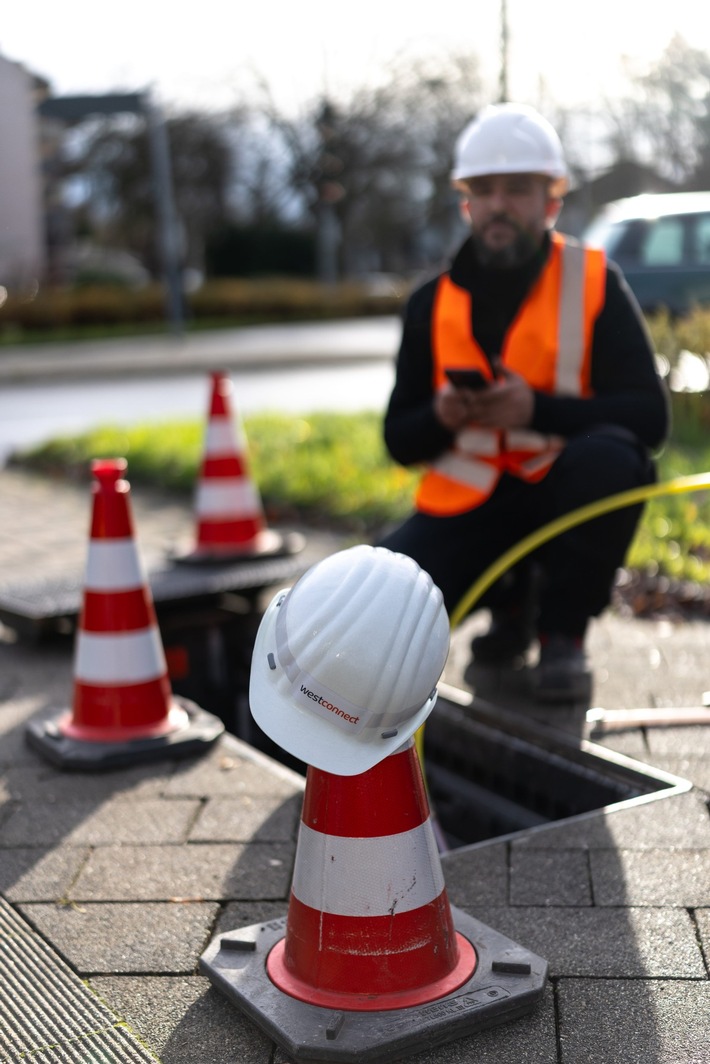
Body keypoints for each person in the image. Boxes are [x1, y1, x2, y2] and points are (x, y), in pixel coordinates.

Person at [378, 102, 669, 703]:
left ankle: (561, 633)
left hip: (559, 498)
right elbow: (397, 439)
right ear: (466, 202)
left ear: (551, 200)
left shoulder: (594, 282)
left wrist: (535, 410)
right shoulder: (429, 303)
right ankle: (512, 606)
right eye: (483, 190)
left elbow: (650, 418)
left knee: (617, 461)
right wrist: (440, 417)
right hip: (466, 512)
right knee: (378, 608)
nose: (498, 204)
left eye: (518, 189)